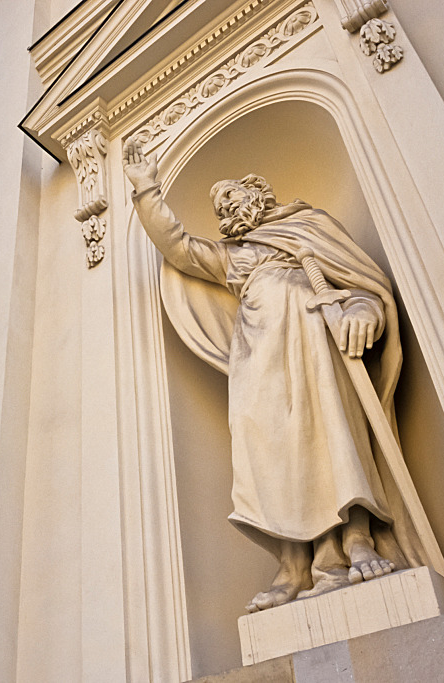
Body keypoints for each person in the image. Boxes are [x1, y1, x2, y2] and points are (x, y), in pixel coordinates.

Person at [123, 138, 423, 612]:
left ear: (256, 194)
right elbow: (178, 247)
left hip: (321, 356)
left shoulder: (312, 230)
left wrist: (365, 312)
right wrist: (146, 191)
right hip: (259, 368)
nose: (223, 207)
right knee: (270, 455)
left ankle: (358, 540)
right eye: (218, 205)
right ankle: (297, 565)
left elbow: (363, 286)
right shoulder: (230, 258)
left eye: (229, 197)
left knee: (333, 437)